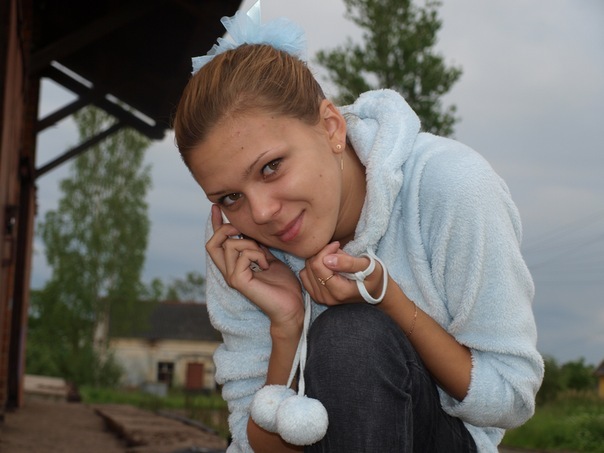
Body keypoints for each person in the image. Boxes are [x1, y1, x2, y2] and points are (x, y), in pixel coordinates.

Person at [173, 4, 544, 452]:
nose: (263, 212)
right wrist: (287, 326)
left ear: (331, 126)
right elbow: (254, 445)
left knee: (352, 337)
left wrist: (389, 300)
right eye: (230, 197)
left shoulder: (451, 186)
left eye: (271, 167)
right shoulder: (242, 249)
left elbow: (510, 398)